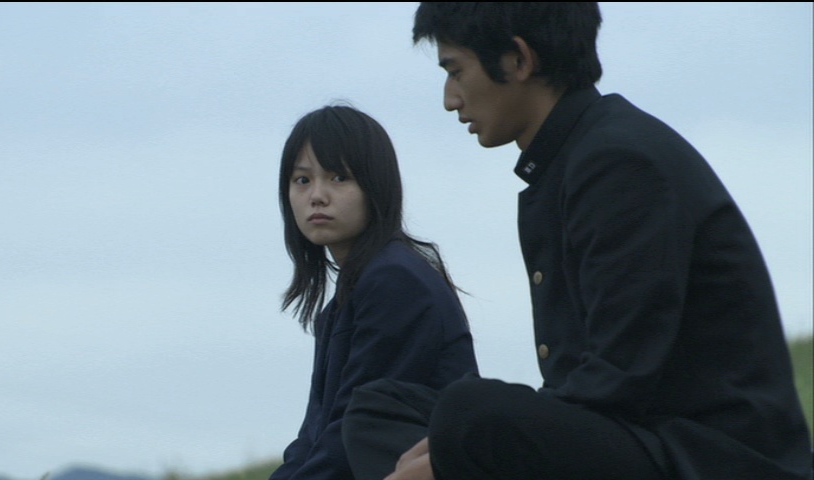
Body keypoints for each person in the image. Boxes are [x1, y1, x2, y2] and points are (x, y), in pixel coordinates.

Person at [347, 3, 812, 479]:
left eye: (455, 71)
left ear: (518, 60)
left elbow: (618, 378)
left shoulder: (619, 161)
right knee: (379, 408)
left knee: (471, 413)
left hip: (706, 456)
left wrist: (453, 455)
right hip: (638, 434)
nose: (450, 99)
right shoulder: (571, 161)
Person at [268, 104, 479, 480]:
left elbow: (347, 439)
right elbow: (313, 437)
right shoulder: (347, 298)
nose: (317, 196)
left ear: (375, 186)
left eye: (339, 177)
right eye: (302, 180)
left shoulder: (396, 282)